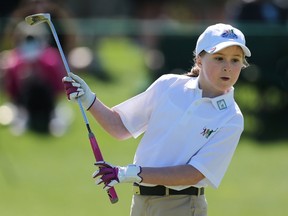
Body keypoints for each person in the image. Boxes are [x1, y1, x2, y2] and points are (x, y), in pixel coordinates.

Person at [62, 23, 251, 216]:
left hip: (183, 205)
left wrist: (129, 173)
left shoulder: (231, 118)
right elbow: (119, 126)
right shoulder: (168, 86)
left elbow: (194, 173)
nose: (227, 67)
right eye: (219, 58)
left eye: (235, 60)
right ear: (200, 60)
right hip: (141, 202)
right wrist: (88, 98)